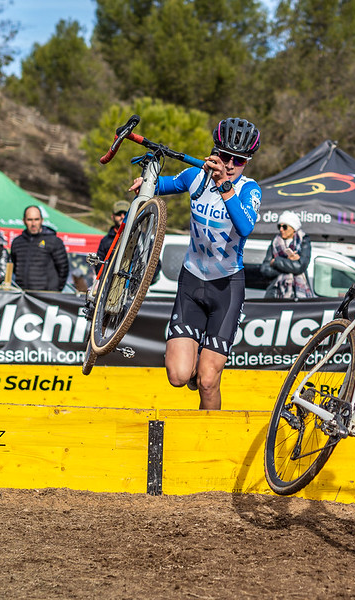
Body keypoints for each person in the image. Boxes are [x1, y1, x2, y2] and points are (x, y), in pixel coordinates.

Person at [130, 117, 262, 410]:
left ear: (246, 162)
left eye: (237, 161)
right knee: (178, 376)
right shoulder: (196, 176)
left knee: (207, 381)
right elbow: (165, 185)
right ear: (214, 151)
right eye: (224, 156)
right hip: (191, 280)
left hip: (226, 287)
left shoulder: (249, 190)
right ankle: (196, 361)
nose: (229, 164)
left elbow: (244, 226)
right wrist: (147, 183)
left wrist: (225, 185)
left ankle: (210, 438)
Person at [10, 205, 69, 291]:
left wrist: (55, 290)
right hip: (23, 294)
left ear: (42, 220)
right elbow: (15, 267)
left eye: (36, 219)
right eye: (30, 220)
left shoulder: (54, 241)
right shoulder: (17, 242)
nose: (33, 224)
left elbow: (63, 269)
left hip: (46, 296)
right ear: (24, 221)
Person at [260, 210, 314, 299]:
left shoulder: (304, 241)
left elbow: (300, 267)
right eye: (279, 226)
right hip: (276, 293)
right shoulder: (275, 243)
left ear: (294, 228)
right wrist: (289, 264)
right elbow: (265, 269)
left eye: (284, 227)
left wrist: (276, 262)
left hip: (299, 294)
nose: (281, 229)